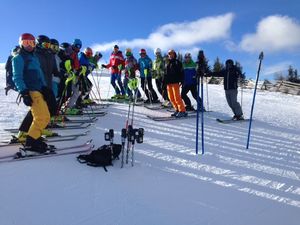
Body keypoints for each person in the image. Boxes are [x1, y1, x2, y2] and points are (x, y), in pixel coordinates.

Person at [12, 33, 51, 155]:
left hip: (39, 90)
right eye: (26, 43)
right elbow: (17, 77)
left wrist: (45, 88)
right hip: (31, 91)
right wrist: (24, 93)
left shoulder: (34, 58)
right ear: (21, 44)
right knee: (41, 117)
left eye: (31, 43)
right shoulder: (18, 58)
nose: (29, 46)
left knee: (46, 117)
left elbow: (40, 76)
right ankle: (31, 141)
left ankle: (35, 136)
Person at [164, 49, 187, 117]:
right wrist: (164, 82)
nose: (170, 55)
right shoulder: (167, 63)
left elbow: (182, 72)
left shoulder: (177, 62)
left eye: (171, 53)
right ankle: (177, 109)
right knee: (171, 98)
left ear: (174, 54)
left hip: (175, 82)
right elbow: (165, 73)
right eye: (169, 54)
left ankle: (182, 110)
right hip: (169, 83)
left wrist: (182, 81)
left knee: (177, 97)